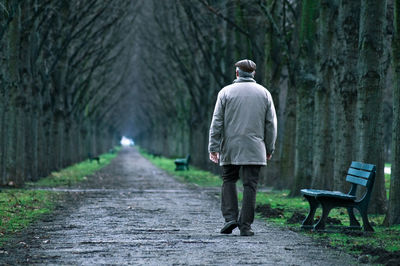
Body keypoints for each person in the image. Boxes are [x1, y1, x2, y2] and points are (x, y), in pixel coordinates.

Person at [208, 59, 277, 236]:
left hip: (231, 146)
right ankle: (245, 226)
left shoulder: (225, 92)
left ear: (237, 73)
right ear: (253, 74)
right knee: (250, 185)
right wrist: (269, 148)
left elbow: (217, 122)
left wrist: (214, 146)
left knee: (229, 179)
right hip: (255, 147)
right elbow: (271, 124)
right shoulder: (264, 93)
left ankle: (230, 218)